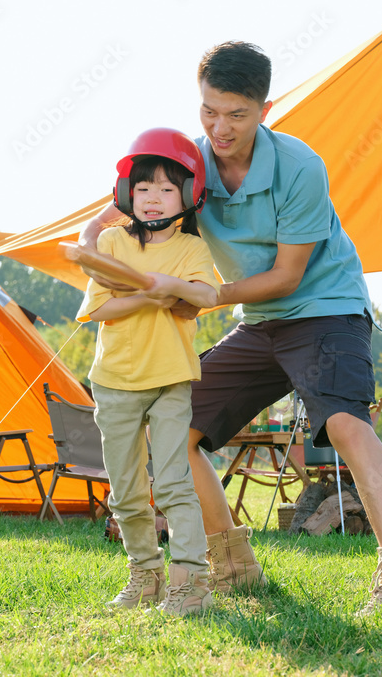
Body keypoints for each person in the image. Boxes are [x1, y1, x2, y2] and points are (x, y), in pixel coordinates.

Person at [81, 41, 382, 616]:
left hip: (326, 309)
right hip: (260, 322)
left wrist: (203, 295)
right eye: (209, 110)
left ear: (264, 109)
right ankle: (234, 565)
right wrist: (91, 248)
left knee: (344, 423)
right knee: (175, 430)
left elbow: (288, 276)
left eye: (236, 114)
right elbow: (109, 217)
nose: (219, 127)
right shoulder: (188, 165)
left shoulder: (299, 166)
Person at [77, 128, 220, 616]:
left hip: (171, 381)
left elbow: (207, 296)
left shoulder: (191, 250)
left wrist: (172, 283)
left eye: (165, 188)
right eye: (143, 188)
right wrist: (148, 296)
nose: (153, 199)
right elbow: (98, 310)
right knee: (127, 489)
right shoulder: (113, 243)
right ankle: (145, 575)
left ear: (187, 195)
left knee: (176, 483)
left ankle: (191, 582)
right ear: (126, 195)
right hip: (114, 383)